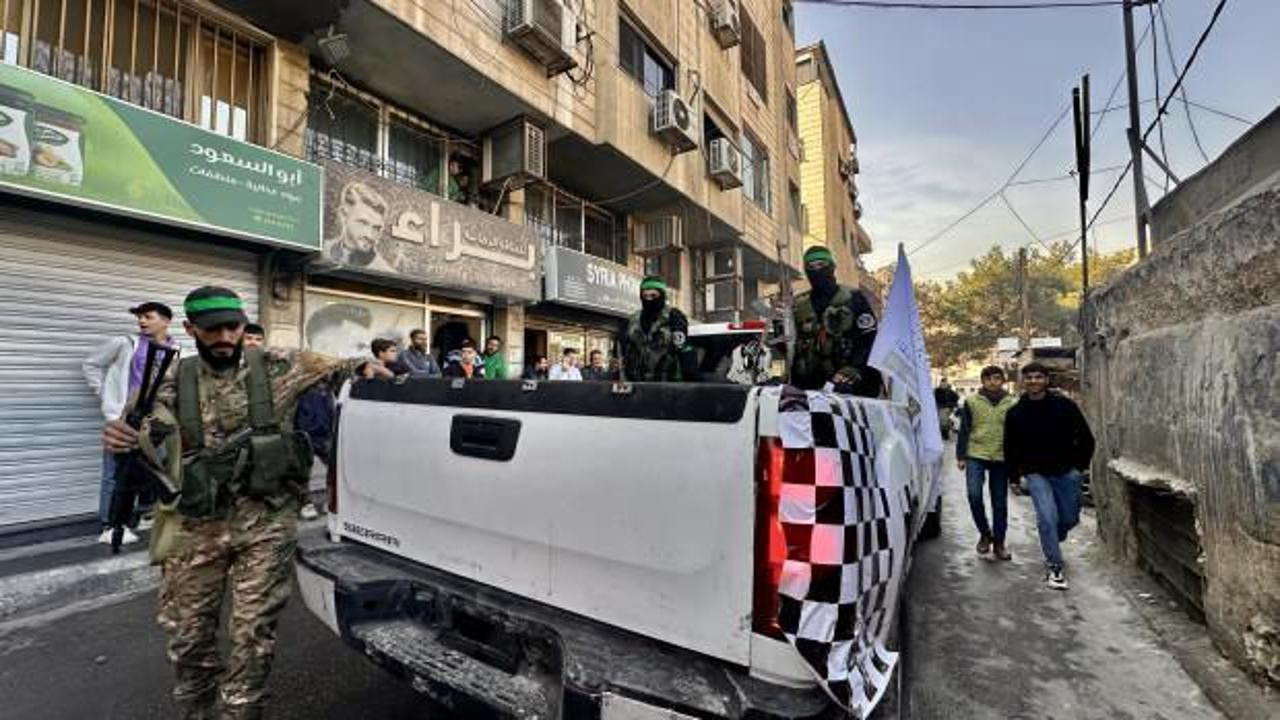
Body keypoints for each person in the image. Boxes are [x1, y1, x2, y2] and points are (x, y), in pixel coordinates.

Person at [101, 286, 390, 719]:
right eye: (211, 329)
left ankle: (241, 712)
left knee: (252, 635)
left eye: (232, 327)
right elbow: (134, 428)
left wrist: (368, 366)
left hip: (266, 522)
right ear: (190, 329)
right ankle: (198, 710)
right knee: (188, 638)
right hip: (196, 525)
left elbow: (345, 365)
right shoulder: (170, 379)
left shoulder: (281, 364)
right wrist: (119, 435)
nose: (224, 337)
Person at [82, 301, 178, 545]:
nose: (142, 321)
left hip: (155, 421)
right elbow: (92, 364)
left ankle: (146, 514)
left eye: (148, 317)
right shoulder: (124, 343)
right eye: (139, 317)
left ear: (166, 321)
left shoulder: (178, 351)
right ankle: (110, 525)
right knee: (115, 472)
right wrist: (107, 396)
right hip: (124, 419)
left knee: (153, 468)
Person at [1003, 362, 1096, 591]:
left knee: (1069, 518)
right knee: (1046, 519)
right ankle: (1054, 565)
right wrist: (1013, 478)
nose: (1033, 381)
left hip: (1067, 473)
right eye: (1029, 377)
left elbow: (1086, 438)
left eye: (1038, 377)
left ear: (1046, 380)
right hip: (1036, 474)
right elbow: (1010, 448)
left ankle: (1056, 535)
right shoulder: (1015, 413)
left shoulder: (1065, 406)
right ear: (1023, 381)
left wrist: (1079, 468)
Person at [789, 246, 882, 396]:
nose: (817, 270)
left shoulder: (853, 298)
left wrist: (853, 368)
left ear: (832, 266)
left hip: (849, 385)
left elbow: (869, 339)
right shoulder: (799, 304)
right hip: (809, 387)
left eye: (821, 264)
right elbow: (790, 345)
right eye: (811, 267)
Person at [955, 366, 1018, 561]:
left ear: (1003, 381)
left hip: (1001, 457)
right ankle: (985, 533)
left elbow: (1017, 433)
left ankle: (999, 543)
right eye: (988, 378)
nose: (993, 382)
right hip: (976, 454)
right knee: (974, 495)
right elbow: (964, 429)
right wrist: (961, 455)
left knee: (999, 502)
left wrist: (1017, 462)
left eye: (997, 378)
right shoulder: (972, 401)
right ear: (982, 381)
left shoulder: (1012, 403)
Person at [620, 276, 695, 382]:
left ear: (662, 295)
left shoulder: (673, 316)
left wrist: (690, 377)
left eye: (653, 295)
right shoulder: (632, 320)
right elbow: (623, 352)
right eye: (645, 296)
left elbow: (683, 347)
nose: (649, 299)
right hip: (638, 383)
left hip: (667, 382)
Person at [327, 181, 394, 272]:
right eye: (363, 223)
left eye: (376, 228)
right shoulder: (322, 251)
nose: (369, 235)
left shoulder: (385, 271)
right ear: (343, 214)